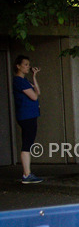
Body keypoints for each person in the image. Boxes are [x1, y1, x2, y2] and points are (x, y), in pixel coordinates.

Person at [12, 55, 43, 184]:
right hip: (27, 116)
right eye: (25, 64)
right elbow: (34, 97)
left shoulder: (25, 81)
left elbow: (38, 92)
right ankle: (26, 174)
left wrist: (34, 76)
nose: (28, 67)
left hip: (29, 115)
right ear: (18, 66)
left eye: (28, 64)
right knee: (27, 144)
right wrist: (35, 93)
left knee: (27, 143)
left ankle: (27, 173)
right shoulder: (19, 81)